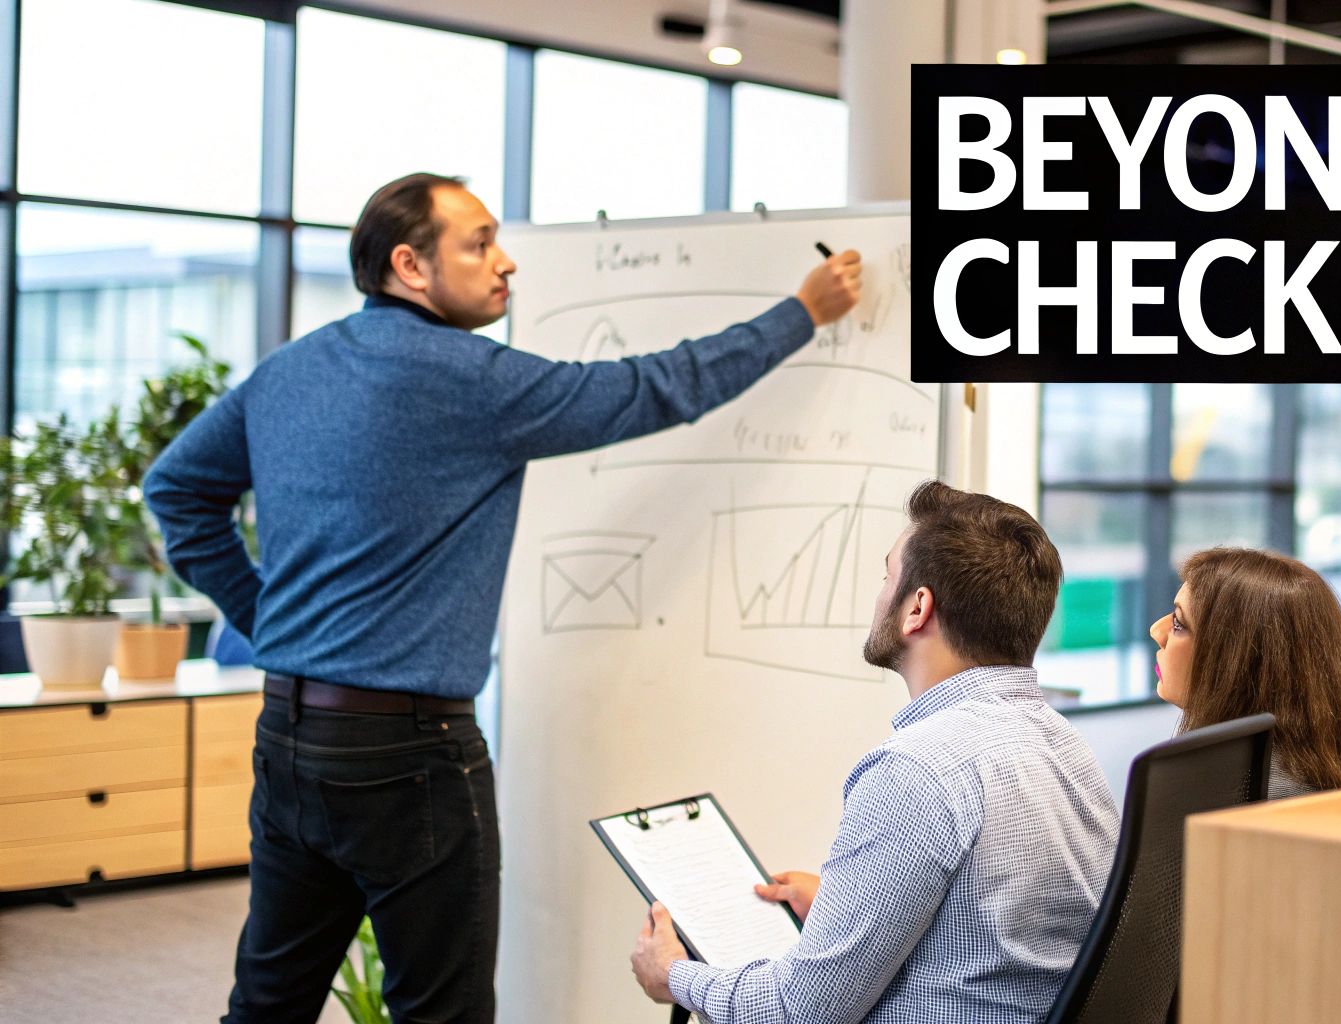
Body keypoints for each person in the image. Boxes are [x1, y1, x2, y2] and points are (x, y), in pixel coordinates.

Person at [142, 171, 862, 1024]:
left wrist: (271, 623)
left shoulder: (289, 370)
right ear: (410, 265)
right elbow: (656, 386)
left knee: (267, 1006)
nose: (506, 262)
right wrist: (802, 313)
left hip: (291, 736)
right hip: (410, 756)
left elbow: (174, 491)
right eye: (479, 243)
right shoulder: (472, 378)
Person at [629, 481, 1119, 1023]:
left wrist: (674, 974)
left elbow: (799, 1015)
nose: (880, 592)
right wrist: (845, 909)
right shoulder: (1061, 740)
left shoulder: (918, 770)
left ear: (917, 608)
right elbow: (1000, 936)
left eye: (888, 576)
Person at [1149, 547, 1341, 798]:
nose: (1157, 631)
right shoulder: (1330, 773)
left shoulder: (1244, 798)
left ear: (1237, 661)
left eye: (1178, 623)